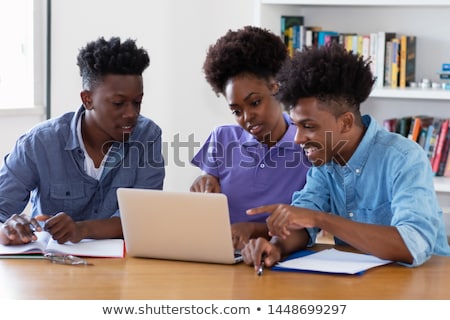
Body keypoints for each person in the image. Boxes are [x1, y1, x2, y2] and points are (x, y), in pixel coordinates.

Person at [242, 42, 450, 269]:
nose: (298, 138)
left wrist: (321, 219)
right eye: (296, 125)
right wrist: (277, 247)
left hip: (427, 284)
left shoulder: (404, 158)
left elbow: (413, 243)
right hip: (363, 284)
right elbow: (302, 224)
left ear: (345, 122)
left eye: (308, 126)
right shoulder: (325, 162)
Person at [0, 36, 165, 245]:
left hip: (122, 270)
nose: (131, 113)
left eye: (137, 102)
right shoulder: (39, 143)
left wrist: (82, 229)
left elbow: (144, 218)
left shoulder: (147, 137)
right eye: (118, 103)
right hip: (51, 269)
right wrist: (8, 231)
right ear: (87, 99)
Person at [190, 26, 311, 250]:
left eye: (255, 102)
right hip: (224, 255)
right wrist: (204, 184)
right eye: (236, 111)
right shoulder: (222, 138)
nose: (247, 118)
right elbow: (207, 204)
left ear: (276, 88)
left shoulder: (308, 145)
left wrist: (255, 230)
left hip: (283, 257)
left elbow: (309, 223)